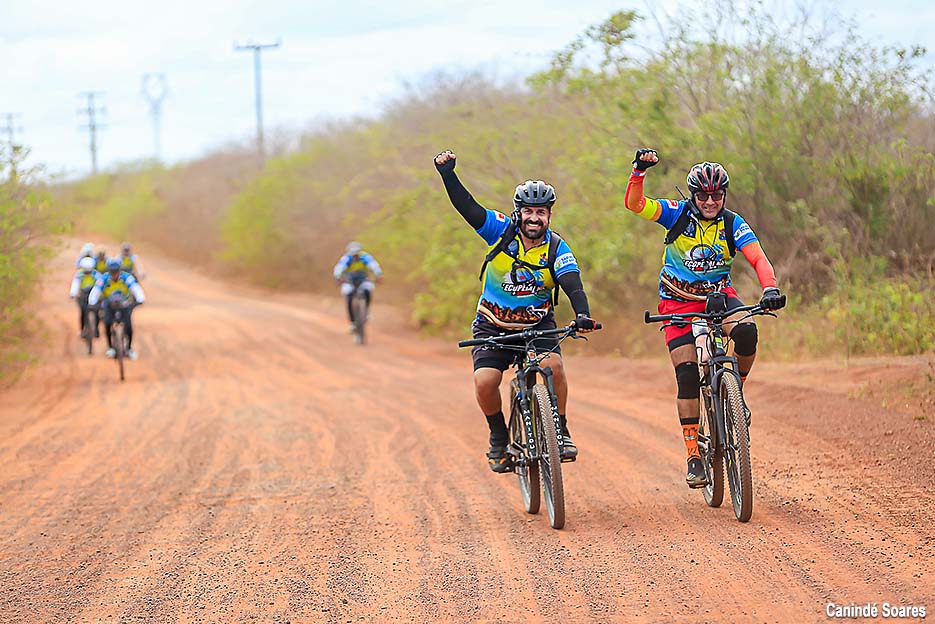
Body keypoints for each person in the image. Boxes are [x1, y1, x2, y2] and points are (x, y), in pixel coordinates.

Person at [625, 148, 786, 487]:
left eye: (717, 195)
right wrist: (638, 172)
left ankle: (735, 393)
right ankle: (693, 456)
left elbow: (758, 258)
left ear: (724, 194)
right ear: (693, 195)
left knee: (746, 332)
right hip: (677, 303)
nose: (710, 201)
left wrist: (770, 288)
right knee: (686, 374)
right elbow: (635, 205)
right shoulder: (676, 215)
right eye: (703, 196)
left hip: (717, 297)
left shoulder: (732, 223)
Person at [434, 149, 599, 472]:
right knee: (485, 381)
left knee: (554, 366)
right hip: (493, 324)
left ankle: (561, 429)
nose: (534, 218)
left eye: (541, 212)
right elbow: (468, 207)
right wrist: (448, 175)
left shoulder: (556, 247)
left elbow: (572, 283)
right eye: (528, 212)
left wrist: (582, 314)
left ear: (549, 215)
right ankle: (498, 436)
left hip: (537, 325)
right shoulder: (499, 231)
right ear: (518, 212)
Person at [89, 258, 146, 360]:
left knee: (128, 326)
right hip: (109, 305)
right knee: (107, 323)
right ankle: (110, 348)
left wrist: (140, 299)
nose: (114, 274)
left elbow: (135, 288)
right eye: (112, 272)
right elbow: (95, 291)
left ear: (120, 270)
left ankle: (129, 349)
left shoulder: (126, 277)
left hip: (124, 304)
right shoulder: (104, 278)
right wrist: (92, 302)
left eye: (116, 271)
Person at [332, 242, 383, 331]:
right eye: (353, 254)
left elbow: (374, 265)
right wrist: (337, 277)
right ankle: (352, 322)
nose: (355, 256)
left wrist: (379, 274)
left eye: (357, 254)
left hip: (363, 279)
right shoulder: (346, 258)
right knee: (349, 297)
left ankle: (366, 312)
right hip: (350, 280)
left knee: (367, 291)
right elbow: (339, 267)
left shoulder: (365, 257)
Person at [69, 256, 100, 338]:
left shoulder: (96, 275)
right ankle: (82, 330)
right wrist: (73, 293)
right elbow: (75, 284)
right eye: (86, 271)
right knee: (83, 312)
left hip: (93, 296)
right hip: (83, 296)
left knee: (97, 312)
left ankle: (96, 329)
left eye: (89, 271)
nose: (87, 273)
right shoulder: (79, 275)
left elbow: (100, 284)